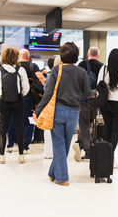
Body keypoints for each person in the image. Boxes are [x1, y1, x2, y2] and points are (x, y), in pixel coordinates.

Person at [33, 42, 98, 186]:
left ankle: (62, 178)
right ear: (76, 56)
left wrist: (38, 110)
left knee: (59, 144)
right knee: (64, 144)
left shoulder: (57, 70)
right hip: (74, 112)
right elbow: (87, 94)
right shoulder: (81, 72)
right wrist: (96, 93)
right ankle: (52, 173)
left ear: (62, 55)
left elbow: (48, 93)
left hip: (58, 111)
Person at [0, 48, 29, 164]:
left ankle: (2, 157)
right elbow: (26, 88)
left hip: (4, 102)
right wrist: (20, 95)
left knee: (3, 127)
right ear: (16, 57)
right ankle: (21, 156)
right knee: (19, 127)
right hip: (18, 102)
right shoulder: (20, 69)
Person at [97, 48, 118, 168]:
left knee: (108, 129)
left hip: (105, 103)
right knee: (115, 131)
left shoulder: (104, 69)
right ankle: (109, 158)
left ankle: (107, 158)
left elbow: (99, 85)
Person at [73, 46, 103, 162]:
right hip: (96, 100)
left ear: (87, 54)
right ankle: (80, 144)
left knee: (84, 125)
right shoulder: (102, 67)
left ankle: (88, 150)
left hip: (83, 99)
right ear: (98, 56)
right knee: (88, 124)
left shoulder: (81, 65)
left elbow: (77, 83)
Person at [19, 49, 45, 152]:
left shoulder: (16, 65)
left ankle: (17, 140)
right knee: (29, 119)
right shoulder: (33, 66)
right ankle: (26, 144)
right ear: (28, 56)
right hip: (30, 96)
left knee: (17, 119)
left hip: (17, 96)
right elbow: (41, 78)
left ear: (20, 56)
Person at [43, 56, 62, 159]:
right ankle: (56, 152)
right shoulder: (66, 74)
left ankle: (48, 152)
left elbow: (46, 89)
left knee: (48, 129)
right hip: (63, 105)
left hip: (51, 104)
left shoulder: (51, 75)